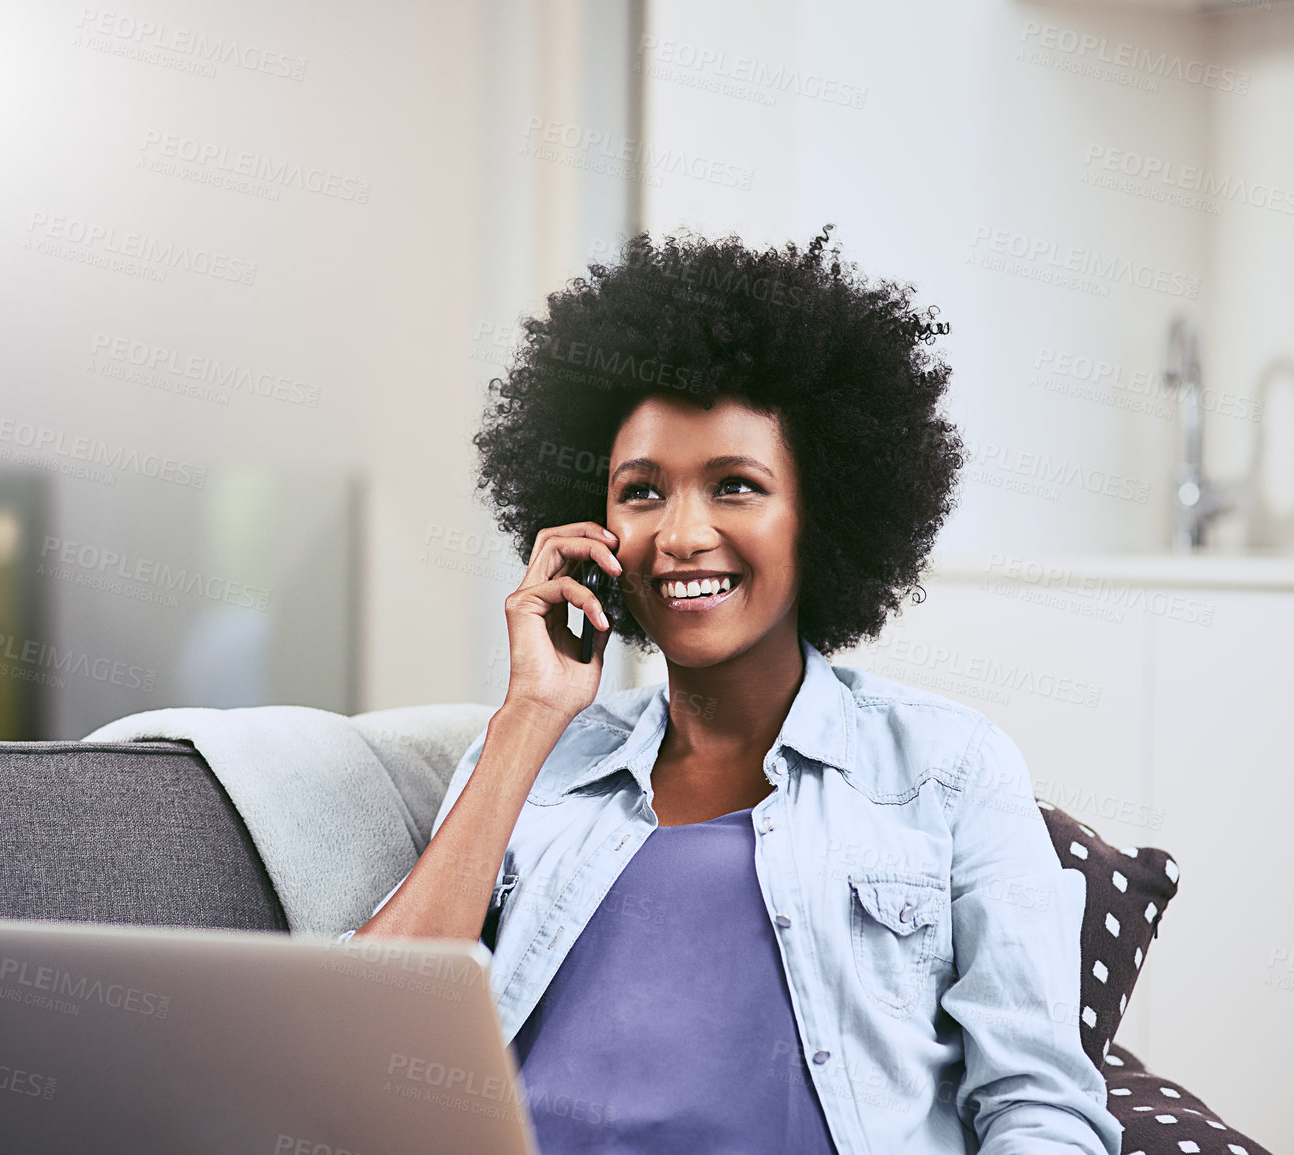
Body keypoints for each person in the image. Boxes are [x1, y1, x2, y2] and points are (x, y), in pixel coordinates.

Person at [349, 226, 1122, 1154]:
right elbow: (367, 1047)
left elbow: (1038, 1106)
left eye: (734, 486)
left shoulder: (949, 769)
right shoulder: (533, 758)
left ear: (819, 515)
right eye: (641, 492)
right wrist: (530, 714)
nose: (680, 533)